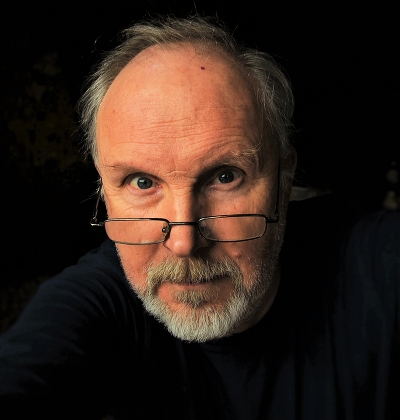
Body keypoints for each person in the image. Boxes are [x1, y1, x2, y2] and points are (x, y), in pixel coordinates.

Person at [0, 15, 399, 419]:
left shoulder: (376, 263)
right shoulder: (97, 301)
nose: (184, 242)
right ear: (104, 190)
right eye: (142, 182)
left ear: (284, 176)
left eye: (225, 177)